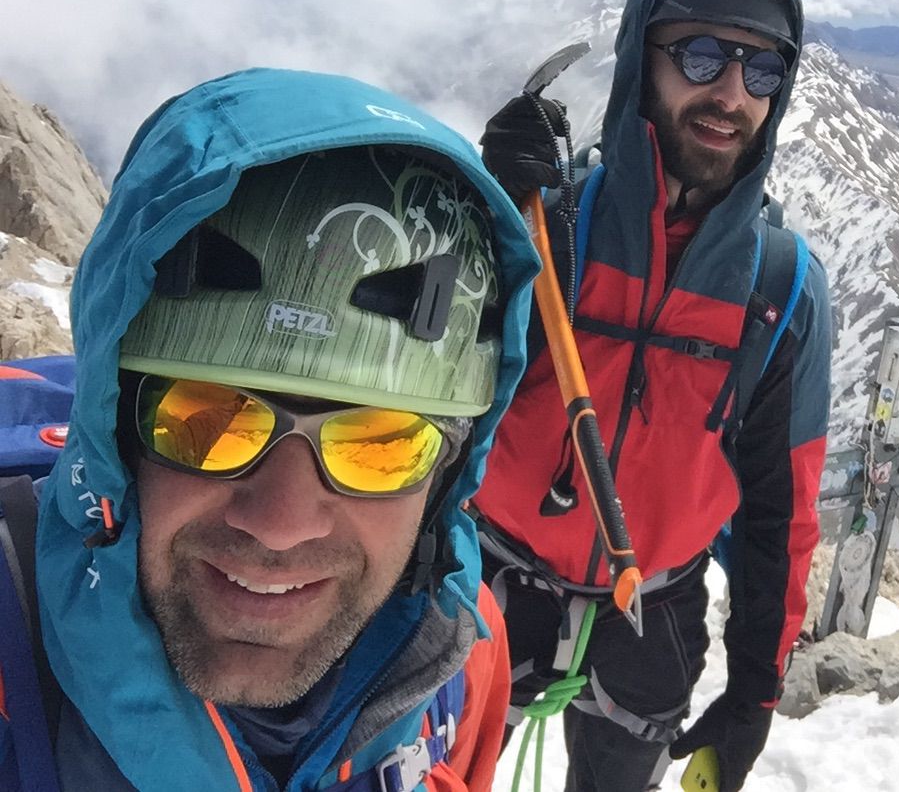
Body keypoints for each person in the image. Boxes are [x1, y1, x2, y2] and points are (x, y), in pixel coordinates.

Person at [0, 67, 540, 791]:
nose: (280, 525)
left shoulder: (457, 656)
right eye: (206, 419)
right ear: (113, 437)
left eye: (380, 444)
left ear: (446, 477)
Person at [473, 0, 833, 791]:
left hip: (655, 611)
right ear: (646, 57)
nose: (731, 93)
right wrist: (478, 207)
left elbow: (778, 518)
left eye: (762, 70)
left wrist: (756, 691)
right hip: (491, 579)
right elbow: (424, 386)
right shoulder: (547, 224)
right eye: (703, 54)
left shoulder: (780, 288)